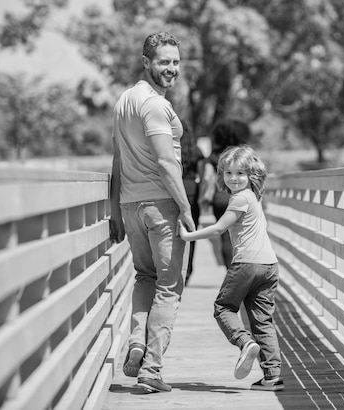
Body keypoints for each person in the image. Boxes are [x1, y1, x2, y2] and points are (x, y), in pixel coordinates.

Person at [109, 31, 195, 394]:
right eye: (163, 62)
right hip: (161, 207)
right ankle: (151, 370)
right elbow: (164, 161)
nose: (171, 68)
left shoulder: (123, 101)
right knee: (170, 288)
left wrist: (116, 211)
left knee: (145, 278)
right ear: (146, 62)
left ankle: (136, 344)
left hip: (131, 206)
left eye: (175, 62)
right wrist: (186, 209)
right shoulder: (154, 104)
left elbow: (117, 161)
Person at [178, 145, 284, 391]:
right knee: (263, 320)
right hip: (269, 265)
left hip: (247, 263)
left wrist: (187, 236)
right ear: (221, 174)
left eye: (240, 174)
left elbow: (218, 228)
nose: (233, 179)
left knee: (223, 308)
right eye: (228, 173)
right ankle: (272, 376)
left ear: (252, 175)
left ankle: (244, 342)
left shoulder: (240, 198)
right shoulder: (256, 197)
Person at [198, 119, 251, 268]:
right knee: (244, 237)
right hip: (243, 198)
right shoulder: (244, 156)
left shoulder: (214, 158)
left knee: (227, 238)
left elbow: (208, 178)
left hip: (221, 199)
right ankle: (242, 273)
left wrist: (204, 199)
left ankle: (231, 272)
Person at [180, 121, 204, 286]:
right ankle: (187, 271)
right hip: (192, 192)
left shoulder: (168, 149)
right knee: (191, 233)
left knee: (173, 233)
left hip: (173, 191)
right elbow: (202, 176)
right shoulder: (196, 152)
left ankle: (174, 271)